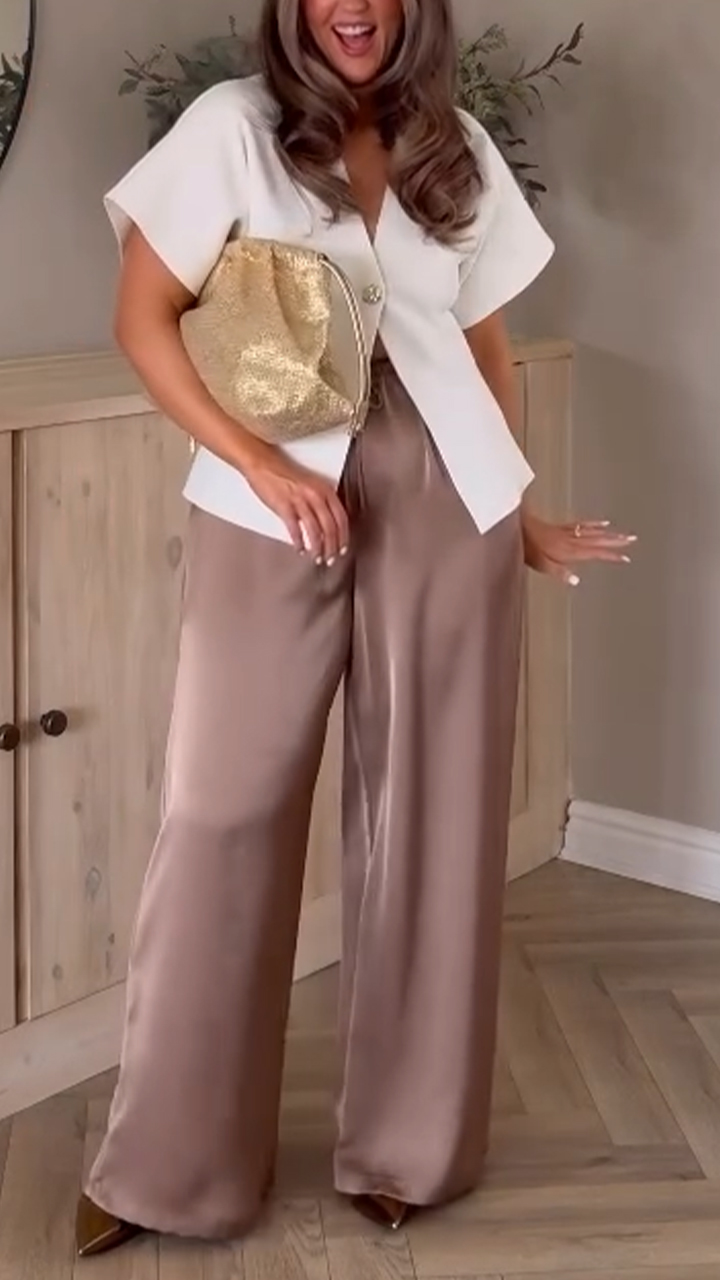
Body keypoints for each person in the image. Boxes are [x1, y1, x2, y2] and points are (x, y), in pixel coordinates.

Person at [76, 0, 634, 1257]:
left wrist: (518, 509)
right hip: (274, 492)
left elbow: (481, 349)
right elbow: (142, 320)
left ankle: (409, 1145)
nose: (355, 6)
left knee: (438, 814)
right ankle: (169, 1163)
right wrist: (257, 464)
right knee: (220, 809)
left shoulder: (457, 145)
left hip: (449, 494)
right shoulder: (233, 127)